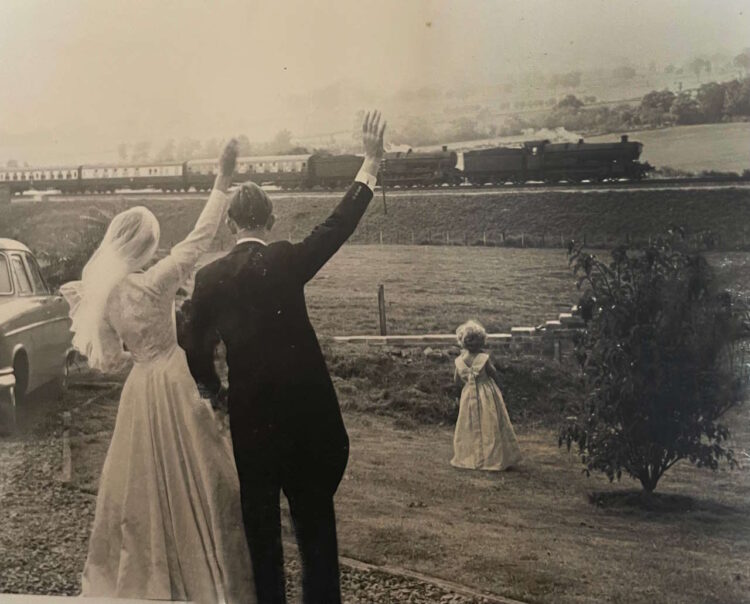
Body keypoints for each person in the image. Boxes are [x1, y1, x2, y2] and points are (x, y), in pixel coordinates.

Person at [182, 111, 386, 604]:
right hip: (309, 418)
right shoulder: (288, 259)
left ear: (231, 223)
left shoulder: (210, 280)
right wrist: (371, 162)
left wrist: (216, 391)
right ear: (271, 220)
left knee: (261, 534)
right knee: (317, 530)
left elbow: (194, 348)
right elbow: (338, 225)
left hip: (253, 421)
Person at [60, 140, 255, 603]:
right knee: (208, 478)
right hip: (173, 377)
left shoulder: (105, 295)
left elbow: (107, 360)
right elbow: (199, 239)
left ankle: (148, 576)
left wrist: (135, 357)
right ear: (146, 245)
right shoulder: (155, 283)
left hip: (140, 388)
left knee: (139, 487)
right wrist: (222, 181)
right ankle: (205, 573)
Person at [451, 319, 521, 471]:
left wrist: (464, 386)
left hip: (468, 395)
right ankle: (492, 457)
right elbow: (493, 374)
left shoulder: (459, 361)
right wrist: (501, 388)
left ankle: (471, 456)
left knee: (468, 423)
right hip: (487, 393)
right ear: (481, 342)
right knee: (490, 422)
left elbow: (456, 380)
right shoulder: (484, 359)